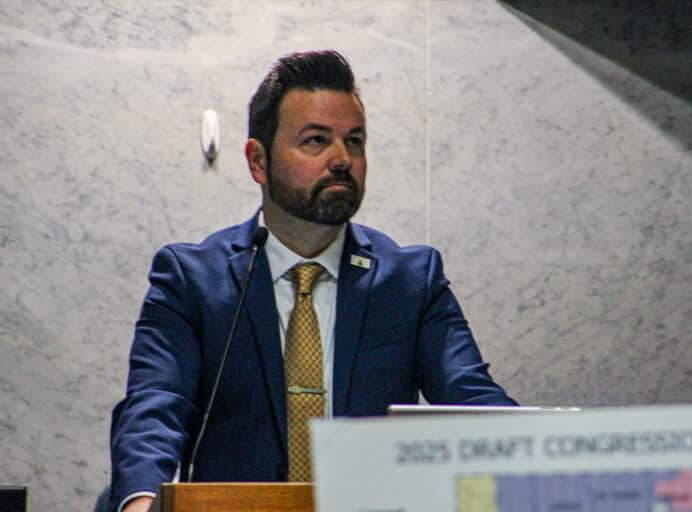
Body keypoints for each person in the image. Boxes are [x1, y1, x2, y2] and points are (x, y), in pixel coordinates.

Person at [109, 49, 516, 512]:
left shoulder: (410, 282)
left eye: (355, 141)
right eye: (316, 141)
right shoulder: (193, 280)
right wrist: (140, 502)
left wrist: (541, 469)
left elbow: (474, 403)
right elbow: (156, 408)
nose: (342, 159)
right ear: (258, 161)